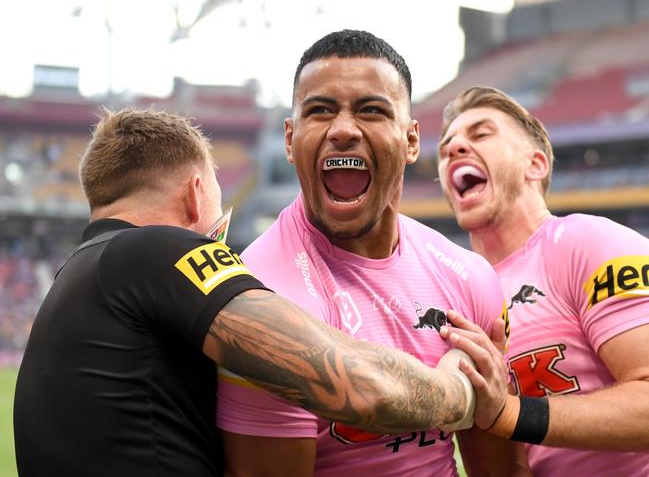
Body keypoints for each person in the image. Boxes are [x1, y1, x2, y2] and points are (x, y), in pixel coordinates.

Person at [12, 108, 503, 477]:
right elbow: (348, 381)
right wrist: (460, 390)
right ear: (195, 194)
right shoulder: (155, 250)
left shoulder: (75, 278)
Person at [216, 30, 523, 477]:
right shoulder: (261, 299)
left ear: (411, 140)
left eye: (371, 110)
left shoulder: (468, 277)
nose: (342, 130)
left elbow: (498, 471)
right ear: (289, 139)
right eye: (320, 110)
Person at [436, 85, 649, 476]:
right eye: (446, 146)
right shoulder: (456, 296)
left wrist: (510, 413)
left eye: (481, 134)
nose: (454, 148)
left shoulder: (585, 242)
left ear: (535, 164)